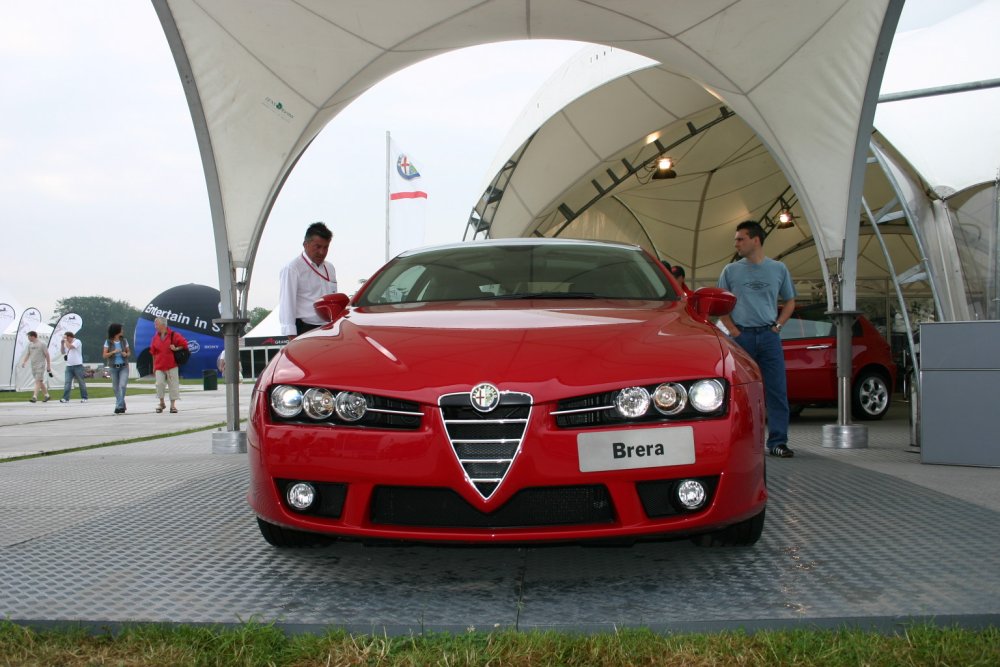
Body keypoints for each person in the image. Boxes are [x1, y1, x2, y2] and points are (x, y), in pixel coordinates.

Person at [718, 220, 797, 458]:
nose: (736, 243)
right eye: (736, 239)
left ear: (756, 240)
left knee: (776, 390)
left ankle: (778, 442)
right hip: (742, 337)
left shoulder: (779, 269)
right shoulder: (730, 271)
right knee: (739, 392)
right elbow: (721, 306)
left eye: (740, 239)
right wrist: (734, 332)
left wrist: (778, 325)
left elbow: (790, 301)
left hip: (769, 336)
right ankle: (739, 443)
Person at [278, 221, 338, 337]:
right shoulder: (292, 268)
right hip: (305, 329)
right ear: (305, 244)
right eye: (318, 247)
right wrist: (292, 338)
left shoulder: (330, 268)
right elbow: (287, 305)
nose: (322, 252)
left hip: (329, 328)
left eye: (326, 247)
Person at [150, 317, 188, 414]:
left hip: (172, 364)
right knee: (159, 384)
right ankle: (161, 403)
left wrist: (176, 348)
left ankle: (173, 405)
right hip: (159, 365)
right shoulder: (155, 337)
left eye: (156, 324)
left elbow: (184, 345)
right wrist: (154, 366)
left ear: (163, 325)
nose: (155, 327)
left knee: (173, 385)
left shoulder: (174, 335)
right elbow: (153, 352)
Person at [103, 323, 131, 415]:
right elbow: (104, 355)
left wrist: (126, 354)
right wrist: (113, 352)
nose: (123, 331)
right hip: (113, 367)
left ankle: (118, 406)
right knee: (115, 388)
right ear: (116, 331)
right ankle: (122, 405)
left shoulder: (124, 341)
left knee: (122, 386)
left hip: (124, 367)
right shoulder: (108, 342)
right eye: (121, 329)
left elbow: (129, 352)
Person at [19, 330, 52, 403]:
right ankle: (47, 395)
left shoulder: (42, 344)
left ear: (33, 336)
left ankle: (34, 397)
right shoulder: (30, 345)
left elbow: (47, 355)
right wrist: (24, 362)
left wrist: (48, 365)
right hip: (33, 365)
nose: (28, 338)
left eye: (29, 337)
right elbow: (28, 354)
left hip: (41, 365)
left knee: (37, 381)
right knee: (39, 381)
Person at [58, 331, 88, 403]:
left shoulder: (77, 341)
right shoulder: (66, 343)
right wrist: (62, 343)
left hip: (78, 365)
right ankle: (65, 398)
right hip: (69, 366)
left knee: (81, 382)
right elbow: (62, 352)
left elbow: (71, 347)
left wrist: (65, 341)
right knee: (67, 382)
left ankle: (84, 397)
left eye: (66, 338)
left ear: (69, 337)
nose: (66, 339)